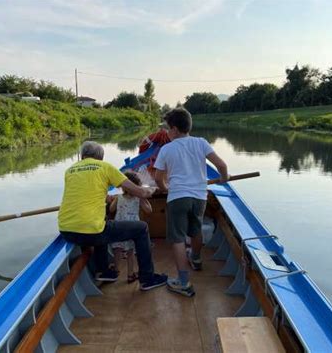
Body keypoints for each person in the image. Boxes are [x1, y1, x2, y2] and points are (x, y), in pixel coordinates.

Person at [58, 141, 167, 291]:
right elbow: (140, 192)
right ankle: (147, 279)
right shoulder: (105, 167)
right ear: (101, 158)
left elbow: (85, 193)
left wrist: (106, 197)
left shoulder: (69, 170)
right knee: (142, 228)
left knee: (101, 222)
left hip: (66, 230)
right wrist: (153, 190)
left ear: (82, 156)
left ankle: (104, 271)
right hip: (92, 231)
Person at [153, 108, 229, 297]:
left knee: (178, 238)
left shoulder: (166, 149)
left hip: (178, 196)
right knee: (195, 230)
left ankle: (184, 282)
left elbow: (158, 178)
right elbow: (222, 166)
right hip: (199, 197)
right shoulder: (201, 143)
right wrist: (224, 178)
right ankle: (195, 259)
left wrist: (164, 188)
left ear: (176, 130)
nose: (167, 133)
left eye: (168, 129)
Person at [109, 171, 153, 283]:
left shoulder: (119, 197)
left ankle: (116, 271)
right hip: (133, 229)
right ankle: (130, 274)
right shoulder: (138, 198)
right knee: (130, 252)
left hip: (119, 227)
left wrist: (113, 200)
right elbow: (149, 210)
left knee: (117, 249)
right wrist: (143, 197)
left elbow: (111, 210)